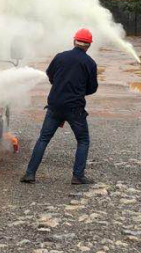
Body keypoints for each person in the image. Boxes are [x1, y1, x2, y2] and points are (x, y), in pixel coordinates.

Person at [21, 28, 98, 185]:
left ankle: (30, 174)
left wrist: (60, 87)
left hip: (55, 105)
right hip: (75, 108)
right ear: (89, 45)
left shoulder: (60, 57)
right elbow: (92, 88)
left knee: (43, 139)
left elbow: (50, 76)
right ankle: (78, 176)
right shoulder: (90, 63)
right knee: (83, 140)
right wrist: (78, 91)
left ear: (74, 41)